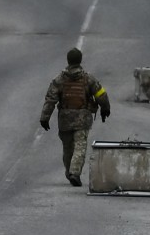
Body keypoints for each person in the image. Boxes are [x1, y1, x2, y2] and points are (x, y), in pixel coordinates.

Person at [39, 47, 109, 186]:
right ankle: (74, 173)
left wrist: (44, 117)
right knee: (80, 146)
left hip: (65, 120)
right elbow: (101, 94)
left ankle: (70, 172)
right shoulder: (88, 78)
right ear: (80, 60)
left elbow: (50, 99)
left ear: (68, 60)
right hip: (82, 118)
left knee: (67, 148)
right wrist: (105, 108)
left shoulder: (58, 80)